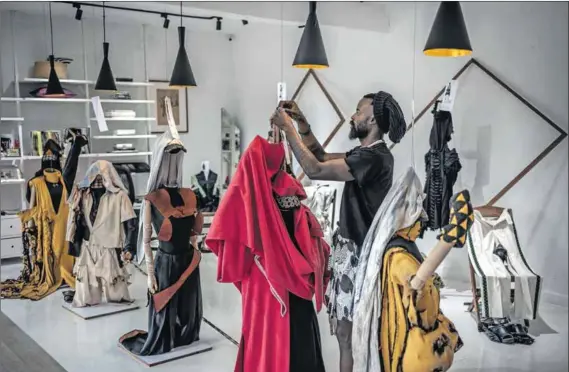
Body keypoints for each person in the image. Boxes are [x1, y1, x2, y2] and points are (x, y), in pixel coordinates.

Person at [271, 92, 407, 372]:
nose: (353, 116)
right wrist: (301, 122)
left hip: (358, 255)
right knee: (344, 335)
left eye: (358, 111)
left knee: (348, 336)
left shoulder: (375, 158)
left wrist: (286, 128)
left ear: (371, 119)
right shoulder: (367, 155)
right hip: (350, 252)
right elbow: (320, 155)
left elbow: (315, 168)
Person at [351, 167, 473, 372]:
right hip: (406, 345)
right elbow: (417, 289)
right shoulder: (398, 256)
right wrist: (450, 238)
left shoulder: (398, 247)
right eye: (418, 213)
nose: (423, 219)